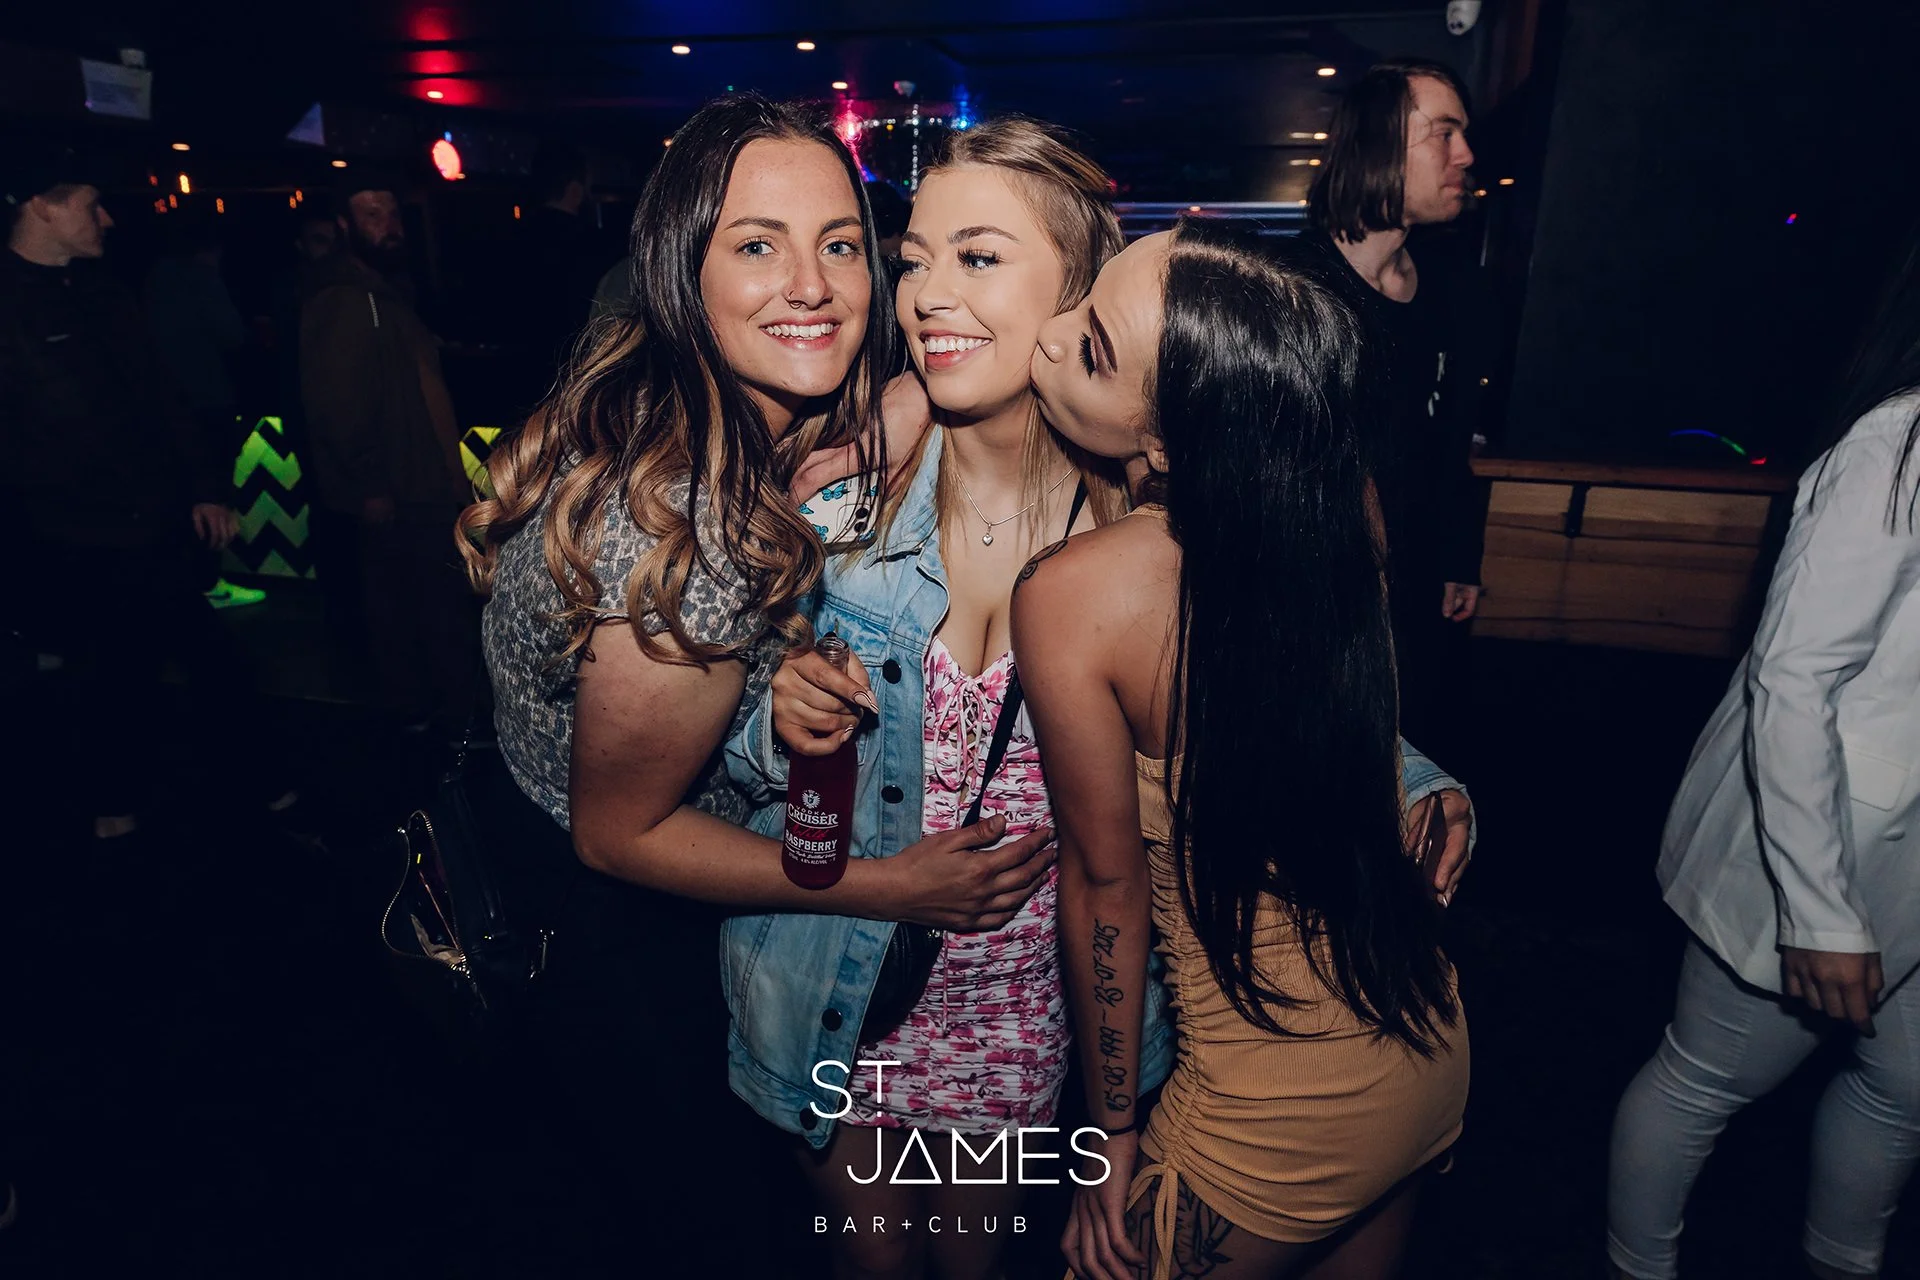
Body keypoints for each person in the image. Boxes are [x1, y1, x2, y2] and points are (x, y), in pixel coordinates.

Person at [724, 123, 1473, 1280]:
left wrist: (1413, 776)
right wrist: (772, 715)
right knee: (864, 1261)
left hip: (1025, 1012)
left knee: (968, 1264)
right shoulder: (837, 497)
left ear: (1081, 297)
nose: (925, 295)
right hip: (840, 987)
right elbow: (720, 748)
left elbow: (1273, 674)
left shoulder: (1144, 522)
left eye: (978, 258)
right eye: (912, 259)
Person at [459, 94, 1049, 1273]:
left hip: (552, 830)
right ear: (683, 271)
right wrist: (892, 886)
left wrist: (922, 390)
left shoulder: (705, 392)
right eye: (757, 245)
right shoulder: (682, 525)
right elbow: (620, 835)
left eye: (840, 245)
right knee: (713, 1224)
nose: (812, 284)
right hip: (614, 926)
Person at [1016, 222, 1470, 1280]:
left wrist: (1109, 1138)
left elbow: (1106, 889)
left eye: (1092, 348)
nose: (1047, 334)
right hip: (1426, 1036)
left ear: (1172, 443)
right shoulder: (1340, 506)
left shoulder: (1076, 593)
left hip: (1271, 1108)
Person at [1606, 230, 1920, 1280]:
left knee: (1902, 1091)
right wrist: (1821, 912)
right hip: (1821, 845)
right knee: (1704, 1080)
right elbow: (1792, 679)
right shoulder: (1899, 441)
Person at [0, 144, 296, 838]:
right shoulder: (9, 302)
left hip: (148, 524)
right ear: (42, 206)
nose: (106, 218)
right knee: (123, 669)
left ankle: (226, 790)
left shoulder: (105, 291)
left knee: (172, 662)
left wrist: (204, 489)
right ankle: (134, 809)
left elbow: (163, 399)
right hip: (71, 536)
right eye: (90, 204)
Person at [1301, 57, 1499, 752]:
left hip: (1418, 591)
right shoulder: (1296, 288)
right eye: (1444, 133)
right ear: (1379, 143)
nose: (1465, 155)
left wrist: (1460, 556)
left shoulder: (1453, 287)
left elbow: (1449, 440)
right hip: (1318, 600)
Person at [300, 172, 476, 732]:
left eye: (393, 212)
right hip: (400, 485)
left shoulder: (382, 290)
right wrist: (371, 483)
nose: (389, 225)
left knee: (419, 603)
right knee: (418, 607)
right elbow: (337, 402)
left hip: (416, 479)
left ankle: (431, 716)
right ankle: (435, 721)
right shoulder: (346, 297)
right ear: (344, 225)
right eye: (372, 214)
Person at [503, 142, 614, 412]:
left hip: (519, 370)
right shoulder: (593, 245)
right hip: (576, 374)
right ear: (575, 189)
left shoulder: (511, 241)